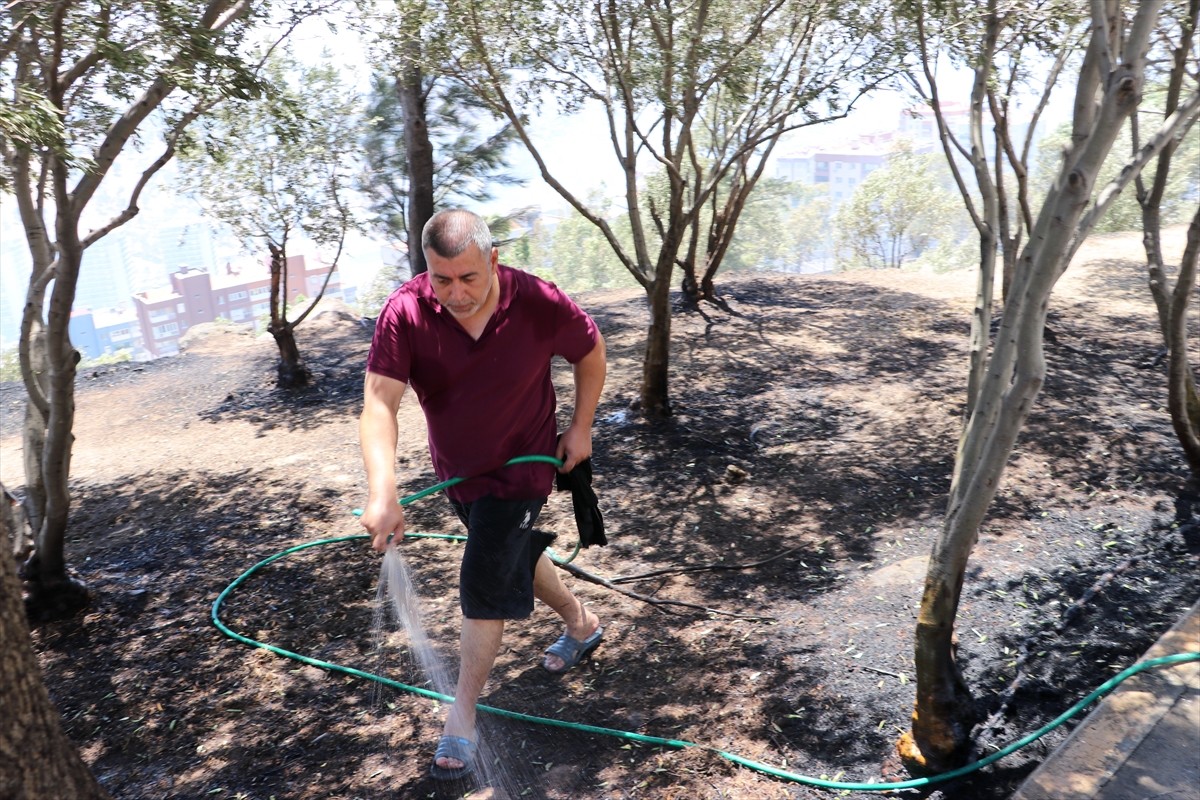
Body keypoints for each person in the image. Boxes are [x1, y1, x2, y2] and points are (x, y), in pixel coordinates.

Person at [358, 207, 607, 782]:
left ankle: (462, 715)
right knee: (513, 553)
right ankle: (581, 622)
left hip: (524, 467)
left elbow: (590, 353)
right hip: (460, 475)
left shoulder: (538, 300)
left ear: (493, 260)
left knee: (486, 572)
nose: (456, 293)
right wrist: (383, 489)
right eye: (442, 279)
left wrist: (582, 425)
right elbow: (379, 404)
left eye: (469, 277)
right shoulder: (406, 312)